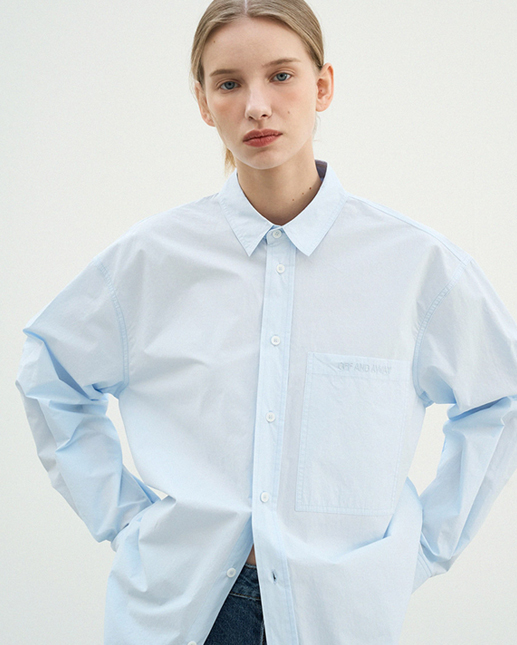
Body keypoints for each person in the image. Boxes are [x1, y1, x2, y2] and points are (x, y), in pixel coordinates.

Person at [15, 1, 517, 644]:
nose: (257, 105)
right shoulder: (150, 262)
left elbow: (498, 397)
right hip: (181, 613)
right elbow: (51, 374)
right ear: (204, 102)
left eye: (281, 75)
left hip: (334, 617)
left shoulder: (417, 267)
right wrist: (125, 521)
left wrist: (422, 549)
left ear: (323, 86)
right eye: (229, 83)